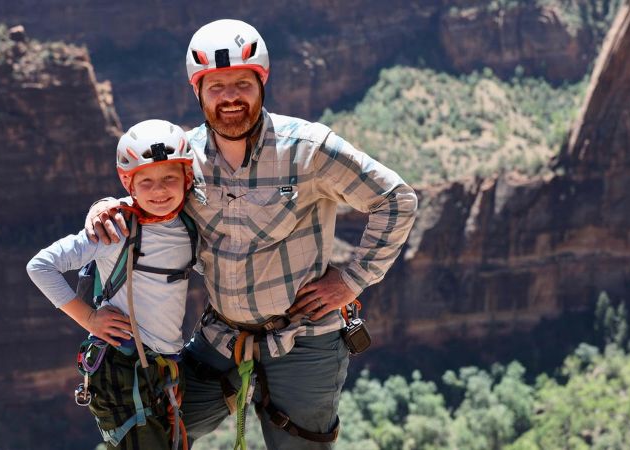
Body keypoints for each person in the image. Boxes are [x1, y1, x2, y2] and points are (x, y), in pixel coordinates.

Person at [85, 19, 418, 450]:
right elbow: (149, 196)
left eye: (242, 83)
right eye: (216, 86)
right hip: (221, 338)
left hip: (305, 341)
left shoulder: (309, 148)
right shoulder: (187, 159)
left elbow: (395, 199)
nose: (230, 97)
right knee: (146, 435)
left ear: (261, 83)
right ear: (197, 91)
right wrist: (105, 207)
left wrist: (352, 279)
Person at [27, 119, 198, 449]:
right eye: (145, 181)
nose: (159, 190)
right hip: (124, 368)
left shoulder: (187, 225)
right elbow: (40, 266)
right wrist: (89, 319)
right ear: (128, 182)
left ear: (187, 178)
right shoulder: (114, 229)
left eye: (169, 179)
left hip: (163, 366)